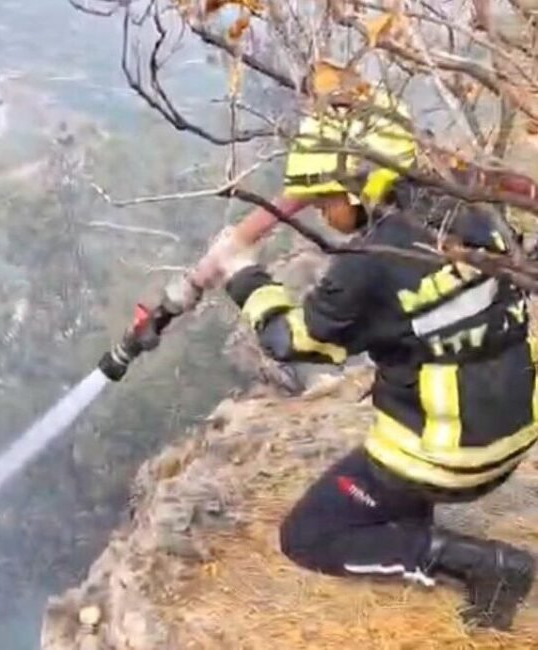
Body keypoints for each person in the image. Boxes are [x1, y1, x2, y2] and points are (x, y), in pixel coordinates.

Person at [178, 93, 538, 631]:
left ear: (360, 184)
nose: (324, 213)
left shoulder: (371, 261)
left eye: (327, 200)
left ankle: (485, 565)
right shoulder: (476, 205)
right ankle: (409, 514)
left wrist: (241, 273)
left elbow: (292, 341)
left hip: (444, 455)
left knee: (307, 536)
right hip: (514, 423)